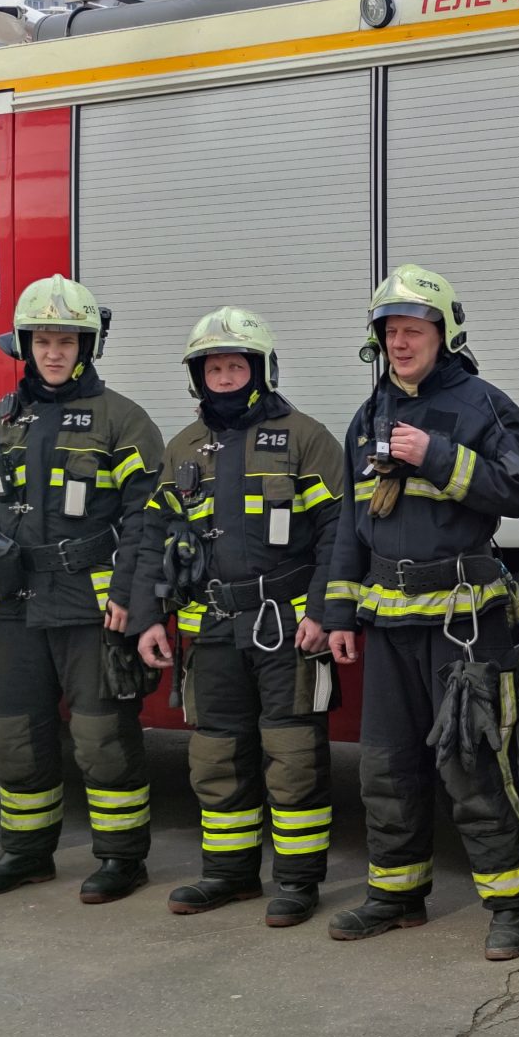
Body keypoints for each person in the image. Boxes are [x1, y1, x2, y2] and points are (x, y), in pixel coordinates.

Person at [319, 265, 519, 959]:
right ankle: (396, 895)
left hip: (463, 623)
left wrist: (438, 455)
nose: (400, 342)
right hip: (389, 626)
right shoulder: (368, 417)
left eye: (413, 329)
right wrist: (338, 614)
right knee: (385, 768)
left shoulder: (483, 405)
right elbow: (350, 525)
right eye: (390, 331)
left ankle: (508, 905)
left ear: (445, 335)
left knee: (471, 764)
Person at [0, 277, 166, 904]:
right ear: (25, 345)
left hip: (92, 607)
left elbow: (148, 518)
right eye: (42, 341)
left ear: (86, 346)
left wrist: (132, 595)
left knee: (102, 739)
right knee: (13, 735)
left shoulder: (123, 420)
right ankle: (25, 853)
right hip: (12, 604)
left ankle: (122, 858)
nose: (54, 353)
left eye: (66, 341)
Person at [131, 308, 347, 928]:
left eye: (236, 365)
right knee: (216, 754)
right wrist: (148, 617)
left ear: (262, 369)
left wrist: (325, 611)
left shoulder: (305, 438)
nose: (224, 377)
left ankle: (298, 882)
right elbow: (152, 537)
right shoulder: (182, 448)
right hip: (213, 627)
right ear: (198, 377)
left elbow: (338, 532)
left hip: (286, 624)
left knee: (293, 754)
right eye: (214, 368)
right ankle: (228, 874)